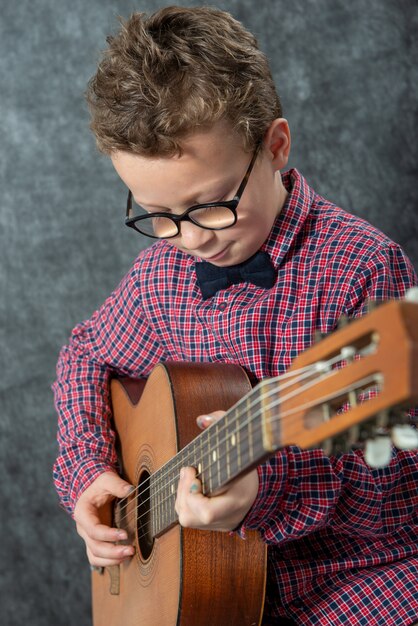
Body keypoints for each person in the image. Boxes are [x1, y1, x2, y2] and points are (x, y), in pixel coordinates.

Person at [53, 6, 418, 625]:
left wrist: (269, 489)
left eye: (212, 205)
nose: (189, 238)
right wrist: (88, 469)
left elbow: (400, 480)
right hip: (204, 590)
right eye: (158, 216)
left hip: (356, 574)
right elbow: (84, 356)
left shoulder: (361, 269)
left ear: (275, 146)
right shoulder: (157, 281)